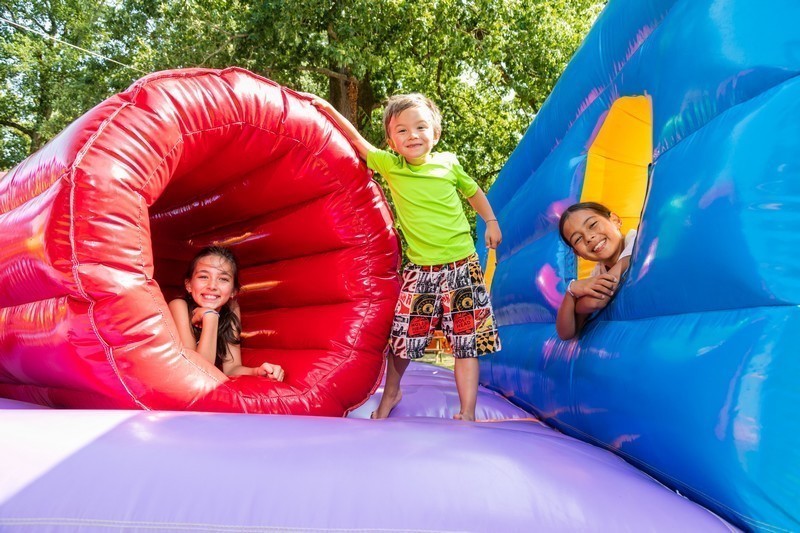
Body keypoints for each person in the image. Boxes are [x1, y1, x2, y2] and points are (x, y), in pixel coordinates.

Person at [309, 92, 502, 421]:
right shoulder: (391, 166)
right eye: (402, 131)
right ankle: (391, 393)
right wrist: (327, 108)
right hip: (421, 270)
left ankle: (467, 412)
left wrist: (491, 221)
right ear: (391, 141)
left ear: (435, 134)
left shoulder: (448, 164)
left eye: (421, 127)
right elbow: (357, 142)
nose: (412, 135)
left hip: (461, 265)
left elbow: (473, 192)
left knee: (465, 340)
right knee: (404, 339)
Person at [168, 246, 285, 380]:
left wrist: (258, 372)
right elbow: (197, 372)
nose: (212, 286)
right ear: (189, 284)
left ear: (233, 291)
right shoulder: (178, 306)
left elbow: (232, 367)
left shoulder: (231, 308)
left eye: (223, 279)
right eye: (203, 276)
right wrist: (211, 317)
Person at [555, 202, 637, 340]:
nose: (589, 238)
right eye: (578, 239)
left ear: (615, 220)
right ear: (577, 253)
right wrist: (571, 290)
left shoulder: (638, 240)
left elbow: (599, 297)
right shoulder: (598, 273)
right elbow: (566, 333)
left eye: (592, 225)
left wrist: (580, 305)